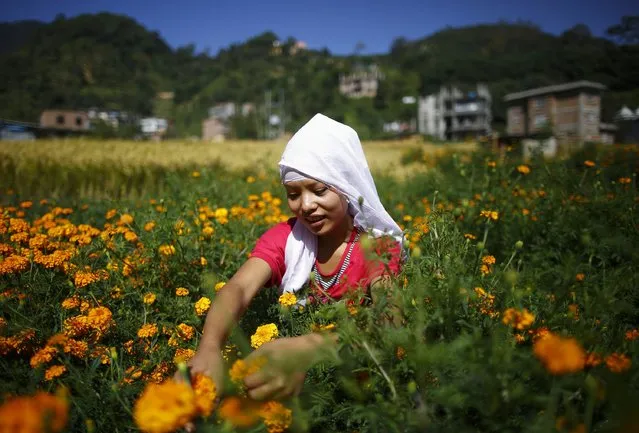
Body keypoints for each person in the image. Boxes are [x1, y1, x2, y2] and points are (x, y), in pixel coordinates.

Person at [182, 113, 405, 401]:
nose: (306, 205)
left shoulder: (375, 247)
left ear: (347, 185)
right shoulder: (287, 239)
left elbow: (390, 318)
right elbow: (239, 288)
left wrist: (310, 347)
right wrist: (209, 347)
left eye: (319, 190)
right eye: (293, 194)